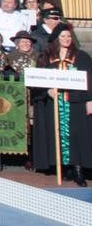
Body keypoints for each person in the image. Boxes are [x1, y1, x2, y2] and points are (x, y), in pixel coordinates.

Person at [30, 28, 91, 186]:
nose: (67, 39)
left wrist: (90, 100)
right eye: (63, 36)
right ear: (56, 38)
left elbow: (89, 79)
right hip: (54, 103)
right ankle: (64, 168)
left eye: (69, 36)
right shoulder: (46, 57)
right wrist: (47, 90)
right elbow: (38, 79)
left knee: (76, 136)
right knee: (57, 135)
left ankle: (78, 169)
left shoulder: (81, 56)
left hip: (75, 103)